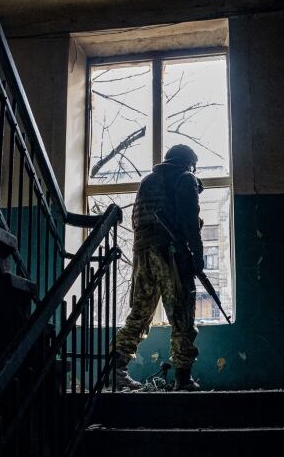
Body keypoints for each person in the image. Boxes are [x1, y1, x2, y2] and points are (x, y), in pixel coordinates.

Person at [113, 144, 204, 391]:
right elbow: (189, 221)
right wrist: (198, 255)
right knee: (182, 314)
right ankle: (183, 379)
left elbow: (137, 221)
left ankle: (116, 370)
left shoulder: (148, 180)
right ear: (189, 162)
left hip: (142, 253)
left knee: (140, 313)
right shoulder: (185, 178)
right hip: (170, 254)